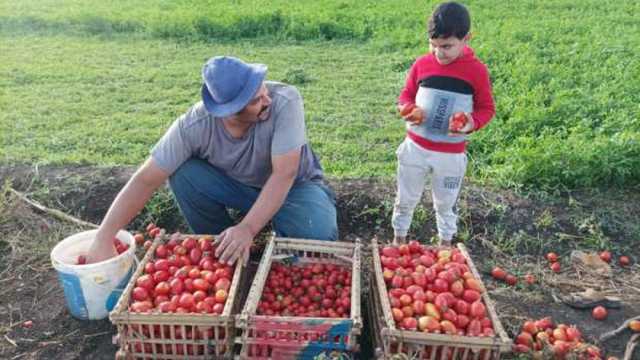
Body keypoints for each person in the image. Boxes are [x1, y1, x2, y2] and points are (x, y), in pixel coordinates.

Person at [87, 56, 338, 266]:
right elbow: (145, 180)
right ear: (228, 112)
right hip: (238, 187)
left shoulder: (285, 101)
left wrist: (248, 228)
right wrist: (104, 236)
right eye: (256, 100)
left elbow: (285, 173)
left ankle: (256, 234)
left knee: (317, 241)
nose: (267, 100)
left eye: (264, 91)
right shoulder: (194, 125)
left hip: (296, 187)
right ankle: (225, 247)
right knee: (184, 172)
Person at [392, 2, 495, 246]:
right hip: (415, 147)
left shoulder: (476, 71)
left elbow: (487, 109)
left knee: (446, 201)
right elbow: (405, 95)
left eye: (447, 46)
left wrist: (471, 123)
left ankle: (445, 244)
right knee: (405, 197)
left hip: (450, 154)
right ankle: (398, 240)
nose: (439, 52)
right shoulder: (422, 64)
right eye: (434, 45)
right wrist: (407, 109)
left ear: (466, 38)